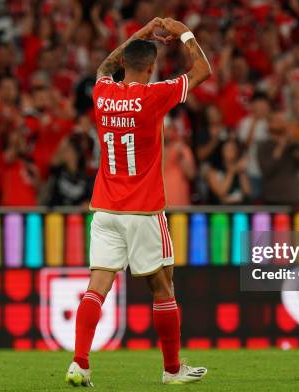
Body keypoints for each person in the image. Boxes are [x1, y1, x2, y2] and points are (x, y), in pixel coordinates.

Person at [65, 17, 211, 387]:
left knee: (97, 285)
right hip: (143, 210)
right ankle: (172, 371)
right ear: (150, 68)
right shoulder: (154, 95)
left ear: (124, 66)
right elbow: (203, 70)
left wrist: (145, 32)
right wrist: (183, 34)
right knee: (163, 286)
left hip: (104, 209)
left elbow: (103, 67)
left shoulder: (102, 92)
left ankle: (80, 363)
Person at [258, 112, 299, 206]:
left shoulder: (296, 145)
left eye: (283, 121)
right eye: (277, 121)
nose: (282, 123)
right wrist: (280, 147)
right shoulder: (264, 146)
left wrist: (294, 149)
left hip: (293, 197)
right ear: (270, 124)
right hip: (271, 198)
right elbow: (267, 170)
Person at [44, 133, 94, 207]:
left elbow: (88, 201)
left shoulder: (86, 178)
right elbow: (54, 160)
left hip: (75, 217)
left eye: (68, 150)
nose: (64, 153)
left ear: (75, 154)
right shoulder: (58, 171)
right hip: (55, 215)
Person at [206, 138, 252, 205]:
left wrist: (242, 172)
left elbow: (248, 192)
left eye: (233, 149)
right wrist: (231, 172)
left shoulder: (239, 169)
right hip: (220, 211)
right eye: (227, 149)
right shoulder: (213, 171)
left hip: (240, 209)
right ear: (221, 151)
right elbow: (221, 193)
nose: (230, 151)